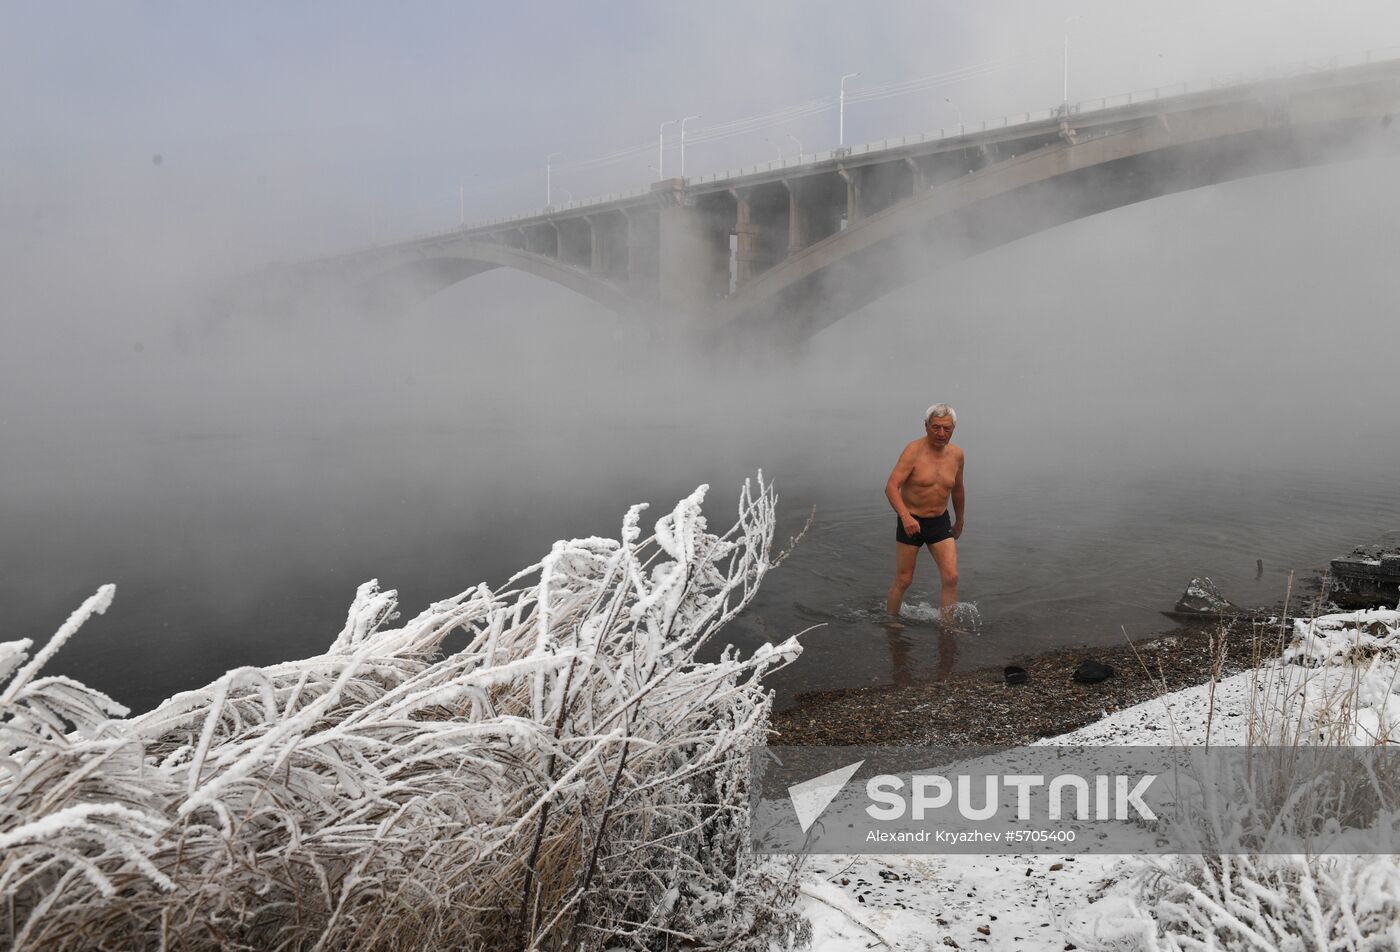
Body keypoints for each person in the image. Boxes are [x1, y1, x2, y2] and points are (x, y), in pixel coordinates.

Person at [884, 403, 965, 623]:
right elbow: (891, 487)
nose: (941, 433)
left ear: (953, 428)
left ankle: (948, 626)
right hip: (911, 520)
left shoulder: (957, 455)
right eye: (936, 427)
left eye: (946, 429)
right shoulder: (913, 451)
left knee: (951, 577)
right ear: (926, 426)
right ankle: (891, 622)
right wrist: (905, 517)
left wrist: (960, 521)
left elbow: (957, 489)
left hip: (939, 521)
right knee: (904, 579)